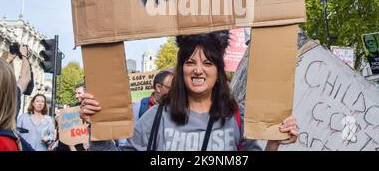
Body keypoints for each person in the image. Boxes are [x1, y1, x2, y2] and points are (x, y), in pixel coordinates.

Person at [81, 31, 298, 151]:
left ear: (218, 72)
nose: (198, 70)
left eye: (207, 63)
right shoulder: (157, 116)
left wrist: (274, 142)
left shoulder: (236, 116)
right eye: (190, 62)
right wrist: (99, 124)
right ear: (181, 69)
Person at [3, 44, 32, 119]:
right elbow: (25, 76)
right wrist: (24, 55)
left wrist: (8, 59)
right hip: (8, 129)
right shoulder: (13, 92)